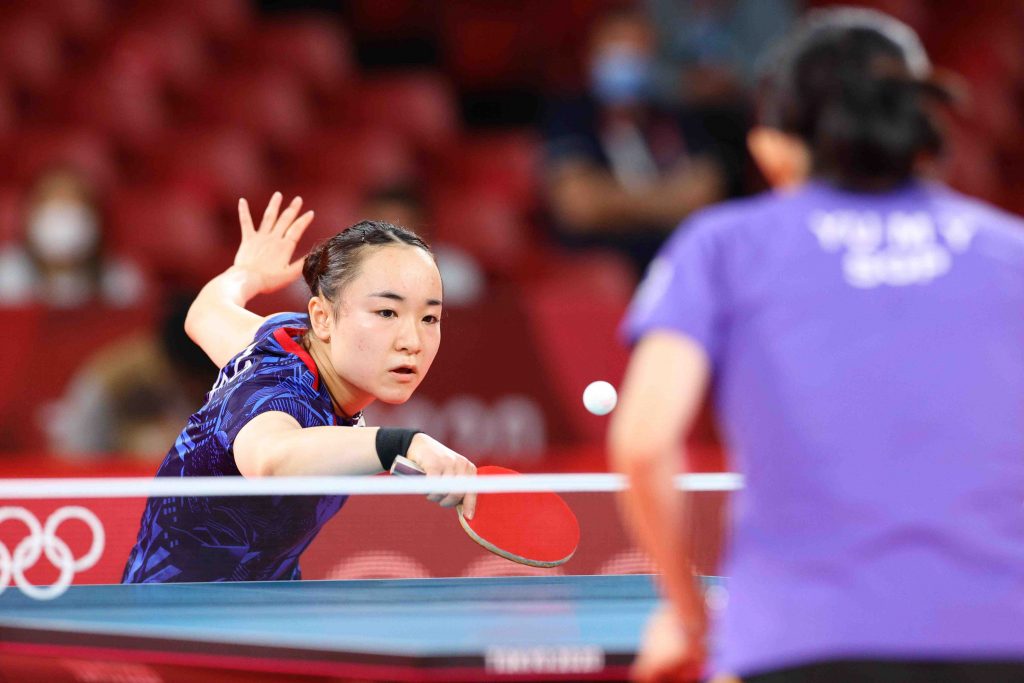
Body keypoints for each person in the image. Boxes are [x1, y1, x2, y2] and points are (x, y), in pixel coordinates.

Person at [610, 8, 1024, 683]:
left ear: (780, 141)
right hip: (1004, 639)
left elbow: (643, 442)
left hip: (801, 641)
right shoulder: (1011, 251)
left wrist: (690, 618)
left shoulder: (724, 246)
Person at [124, 192, 476, 583]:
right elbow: (272, 460)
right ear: (323, 318)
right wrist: (402, 443)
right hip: (176, 625)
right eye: (386, 312)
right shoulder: (279, 392)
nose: (413, 340)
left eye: (430, 317)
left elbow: (204, 314)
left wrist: (248, 275)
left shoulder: (283, 335)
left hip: (263, 611)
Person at [542, 6, 731, 276]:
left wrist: (612, 197)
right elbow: (579, 205)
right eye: (616, 46)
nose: (626, 57)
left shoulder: (673, 116)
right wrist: (667, 198)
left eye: (637, 49)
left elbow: (704, 196)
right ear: (591, 55)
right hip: (599, 271)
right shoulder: (571, 115)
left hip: (675, 266)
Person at [0, 166, 145, 308]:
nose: (62, 222)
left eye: (73, 207)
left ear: (95, 221)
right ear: (28, 218)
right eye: (52, 208)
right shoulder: (6, 275)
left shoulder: (121, 280)